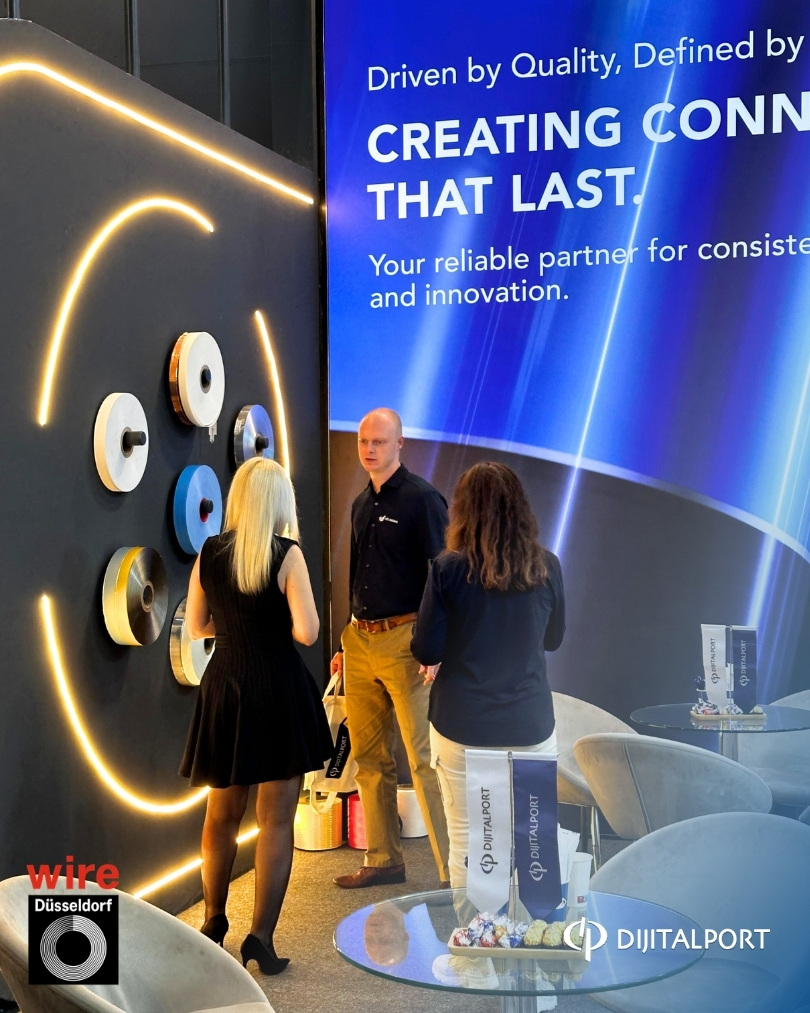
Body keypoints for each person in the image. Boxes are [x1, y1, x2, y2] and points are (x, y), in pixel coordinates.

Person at [179, 457, 333, 973]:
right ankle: (260, 939)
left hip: (225, 685)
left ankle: (213, 921)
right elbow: (308, 632)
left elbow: (196, 626)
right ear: (280, 501)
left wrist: (234, 627)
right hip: (277, 688)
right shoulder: (287, 555)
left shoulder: (209, 553)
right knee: (275, 821)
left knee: (220, 816)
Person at [411, 461, 565, 889]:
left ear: (463, 510)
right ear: (520, 508)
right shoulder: (548, 566)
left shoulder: (447, 569)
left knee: (471, 844)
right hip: (530, 725)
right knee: (534, 844)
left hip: (464, 727)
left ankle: (474, 937)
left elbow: (427, 649)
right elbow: (553, 639)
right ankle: (534, 932)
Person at [331, 408, 450, 888]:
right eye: (363, 441)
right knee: (369, 756)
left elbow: (444, 574)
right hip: (360, 639)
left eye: (379, 441)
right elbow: (357, 575)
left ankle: (453, 872)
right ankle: (383, 860)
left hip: (407, 641)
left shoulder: (422, 499)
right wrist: (345, 639)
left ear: (400, 444)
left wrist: (436, 645)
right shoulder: (361, 504)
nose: (369, 449)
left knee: (424, 760)